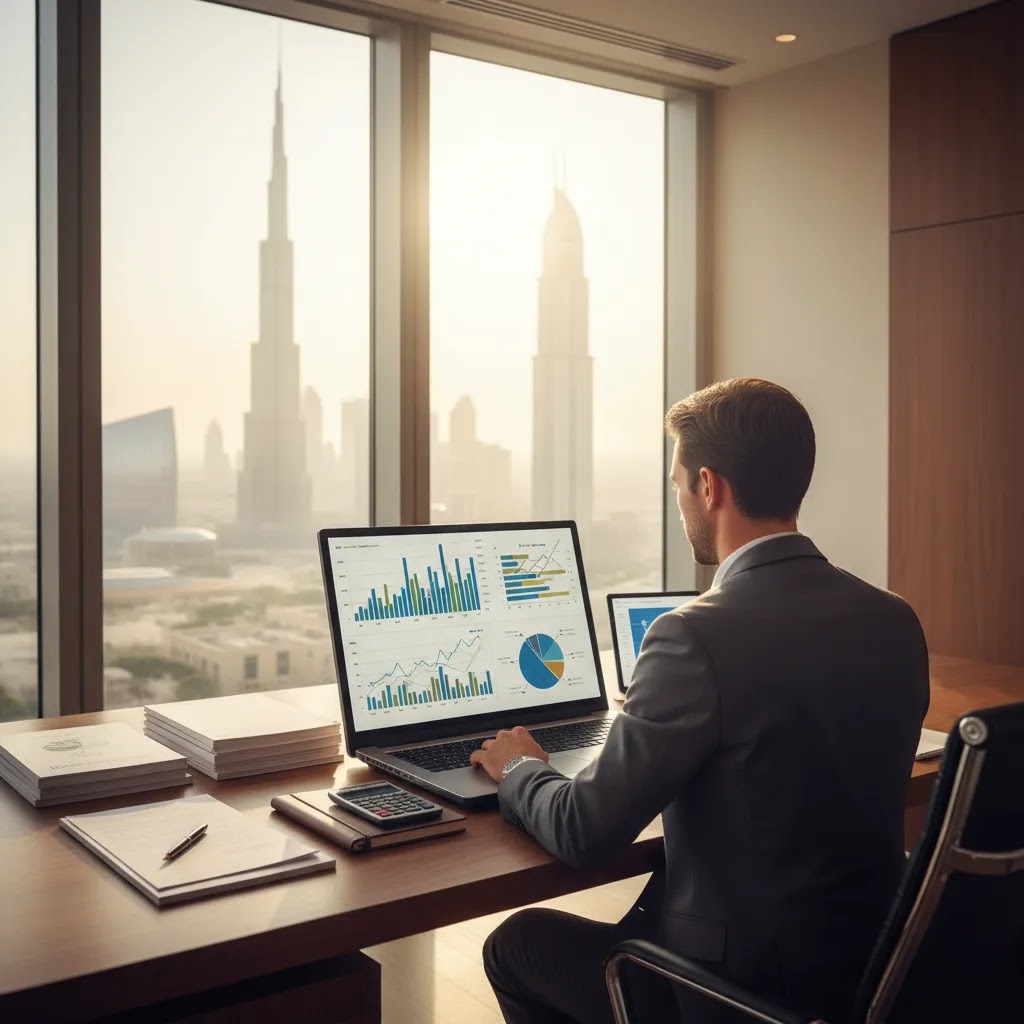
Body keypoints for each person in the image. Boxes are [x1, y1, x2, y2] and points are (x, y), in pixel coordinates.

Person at [470, 378, 929, 1023]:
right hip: (867, 971)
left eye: (679, 483)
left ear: (709, 487)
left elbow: (584, 831)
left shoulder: (693, 635)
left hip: (735, 992)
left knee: (516, 945)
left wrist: (521, 767)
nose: (680, 501)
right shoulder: (894, 619)